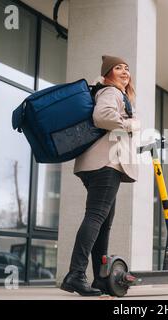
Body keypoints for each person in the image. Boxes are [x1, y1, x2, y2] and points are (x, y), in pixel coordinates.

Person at [60, 55, 140, 296]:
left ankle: (100, 279)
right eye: (118, 68)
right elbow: (102, 117)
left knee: (103, 223)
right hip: (105, 164)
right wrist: (131, 124)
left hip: (98, 164)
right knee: (96, 218)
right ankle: (75, 274)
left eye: (127, 68)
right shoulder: (110, 92)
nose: (125, 72)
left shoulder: (114, 93)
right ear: (107, 74)